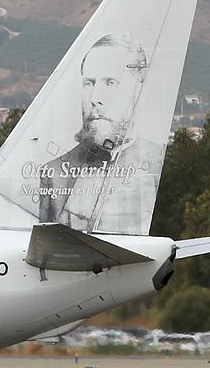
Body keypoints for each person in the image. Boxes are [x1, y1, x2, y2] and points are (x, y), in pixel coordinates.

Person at [36, 33, 151, 230]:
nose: (95, 98)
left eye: (110, 83)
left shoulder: (156, 166)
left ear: (138, 89)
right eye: (89, 83)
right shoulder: (54, 173)